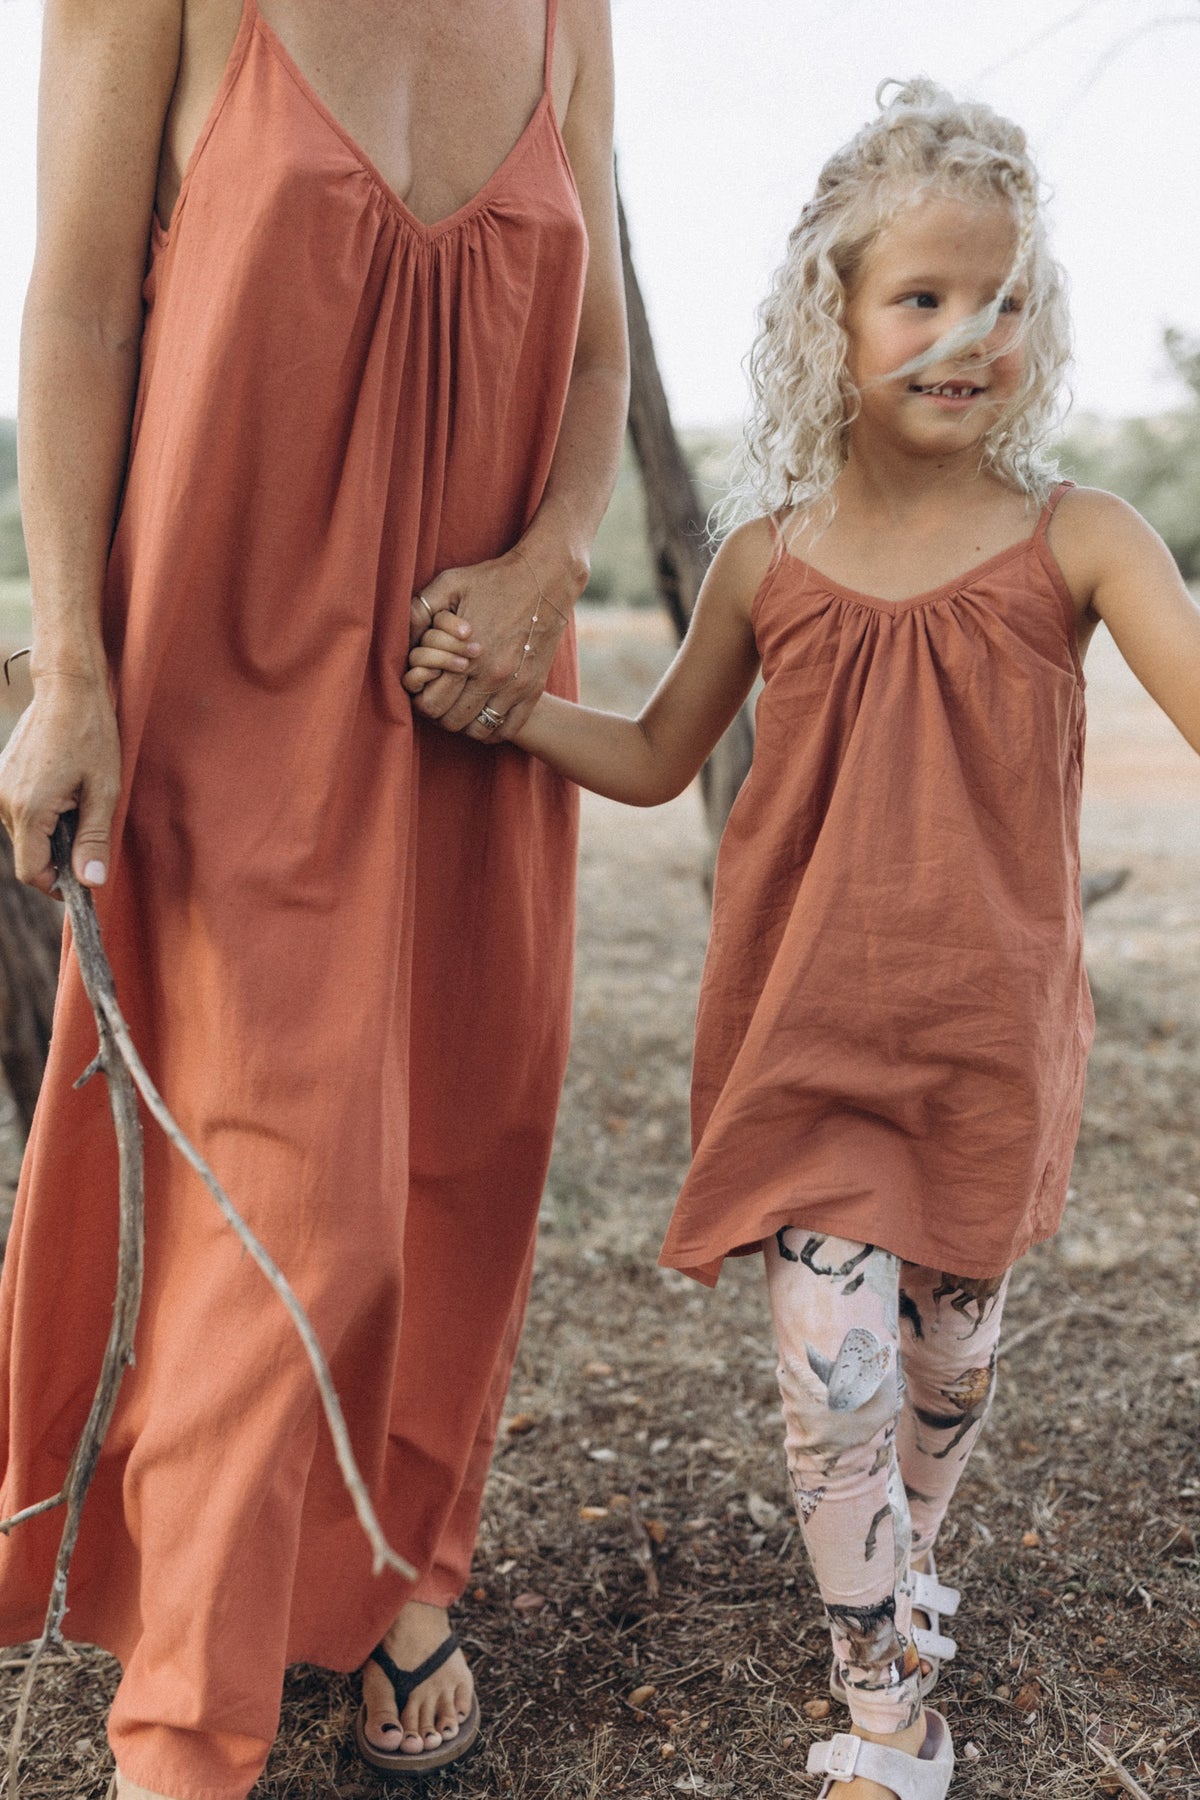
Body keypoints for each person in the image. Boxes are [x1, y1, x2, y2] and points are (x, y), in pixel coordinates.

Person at [408, 78, 1200, 1800]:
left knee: (942, 1364)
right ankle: (883, 1711)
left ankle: (911, 1575)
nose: (963, 339)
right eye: (920, 299)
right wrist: (509, 714)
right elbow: (652, 756)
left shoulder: (1080, 537)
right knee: (832, 1374)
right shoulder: (765, 561)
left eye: (999, 304)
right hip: (807, 1043)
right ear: (827, 315)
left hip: (988, 1047)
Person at [0, 0, 627, 1794]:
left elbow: (596, 353)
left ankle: (380, 1571)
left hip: (481, 683)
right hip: (228, 663)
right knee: (290, 1201)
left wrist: (550, 567)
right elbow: (74, 298)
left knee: (458, 1150)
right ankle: (180, 1733)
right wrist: (73, 672)